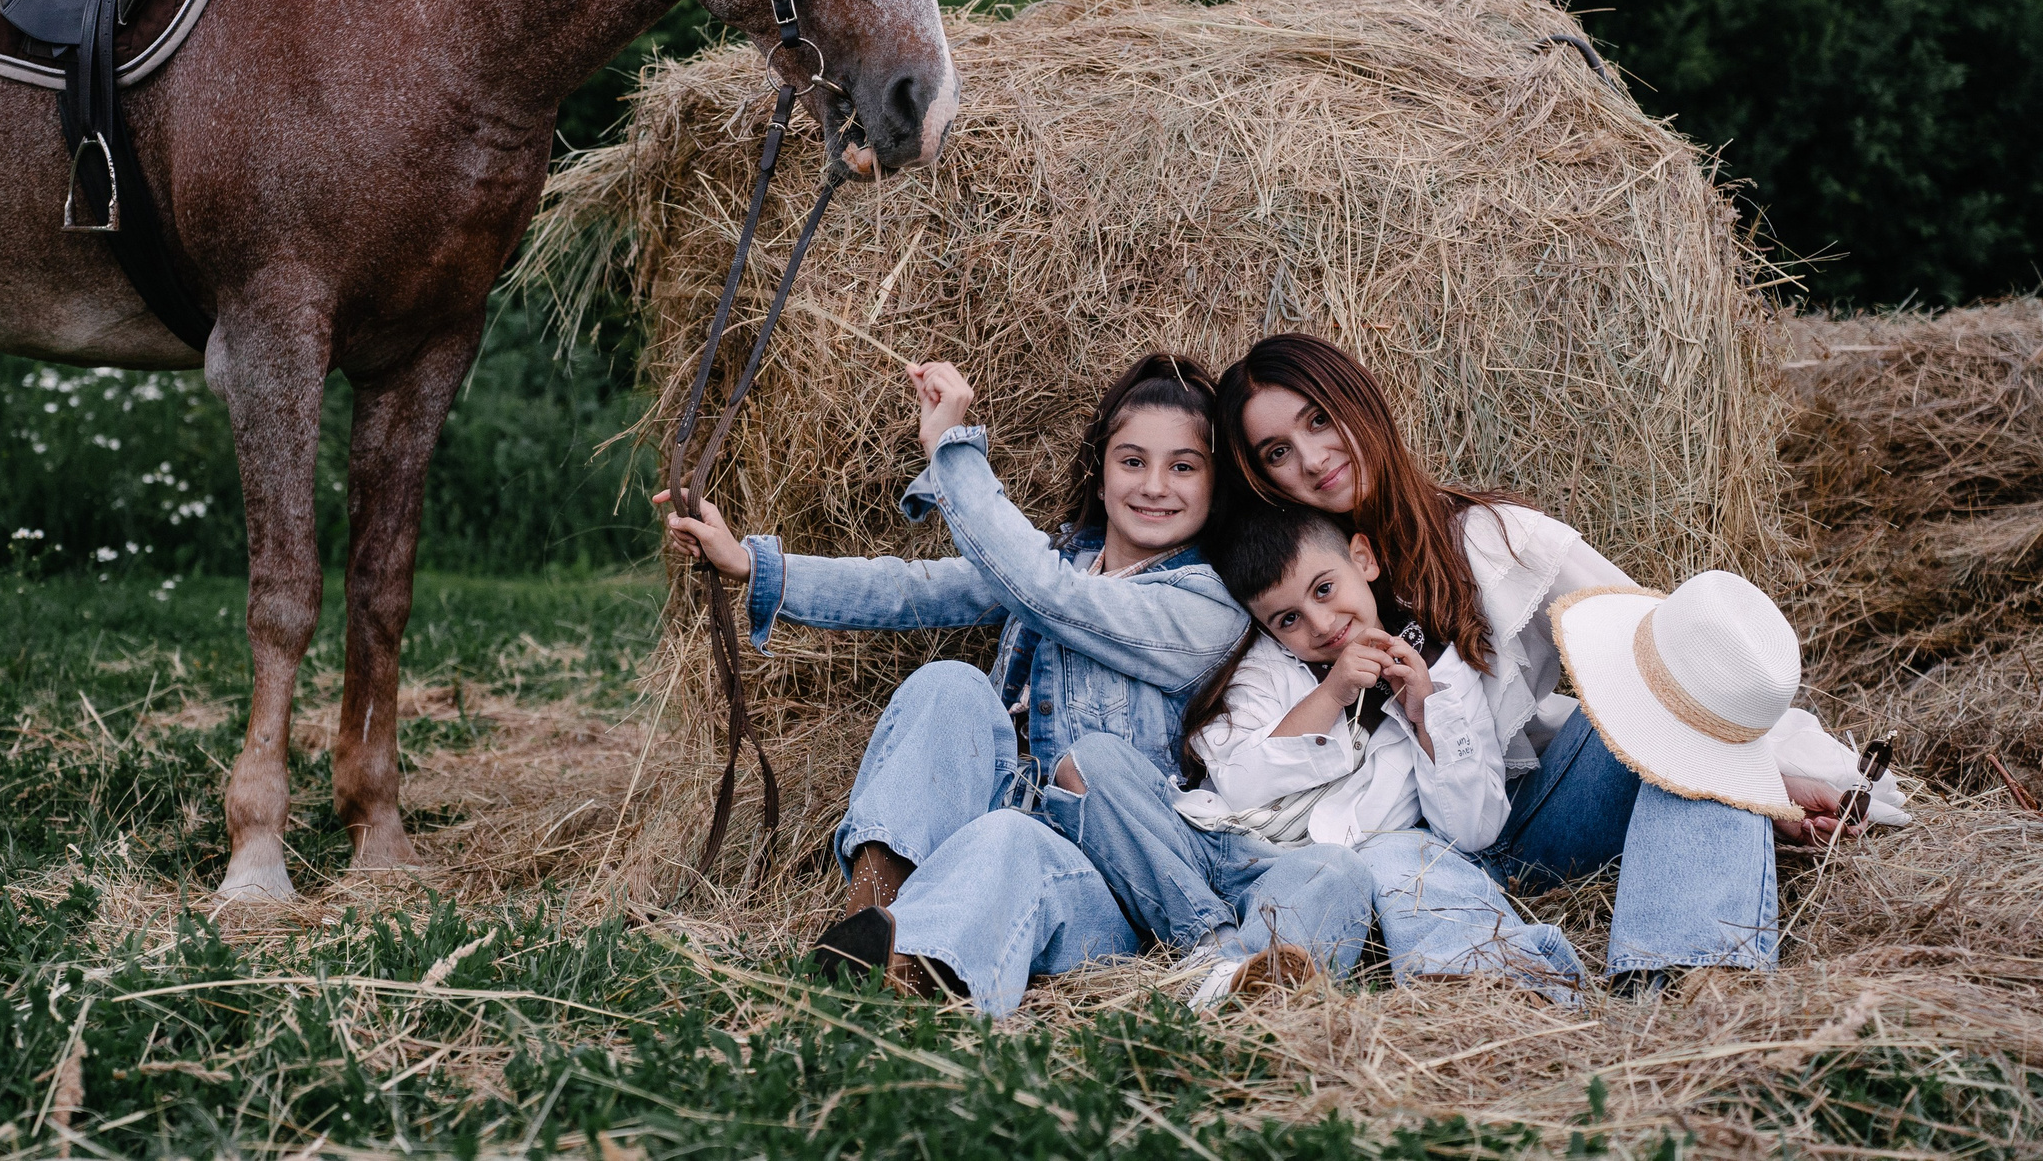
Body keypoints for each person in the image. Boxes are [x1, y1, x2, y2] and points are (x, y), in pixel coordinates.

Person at [661, 352, 1373, 1016]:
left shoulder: (1204, 604)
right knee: (949, 684)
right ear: (1101, 473)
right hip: (1005, 819)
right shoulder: (1062, 558)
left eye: (1183, 467)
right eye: (1133, 460)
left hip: (1114, 875)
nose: (1155, 484)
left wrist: (954, 450)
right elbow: (913, 591)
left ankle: (913, 966)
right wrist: (755, 568)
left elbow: (1048, 596)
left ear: (1213, 490)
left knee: (1014, 837)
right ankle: (873, 923)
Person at [1217, 333, 1907, 993]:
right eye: (1278, 451)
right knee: (1404, 854)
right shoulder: (1274, 591)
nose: (1310, 457)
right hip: (1400, 856)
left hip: (1529, 820)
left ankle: (1696, 973)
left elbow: (1674, 648)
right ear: (1261, 476)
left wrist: (1772, 780)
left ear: (1357, 399)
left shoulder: (1496, 539)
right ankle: (1488, 977)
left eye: (1318, 419)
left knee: (1672, 697)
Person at [1182, 502, 1584, 1000]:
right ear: (1269, 630)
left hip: (1381, 867)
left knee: (1411, 857)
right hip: (1264, 864)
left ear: (1364, 560)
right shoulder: (1263, 672)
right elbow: (1239, 782)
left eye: (1325, 589)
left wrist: (1427, 715)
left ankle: (1492, 983)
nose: (1322, 623)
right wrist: (1329, 696)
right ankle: (1251, 989)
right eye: (1289, 619)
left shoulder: (1438, 665)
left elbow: (1475, 830)